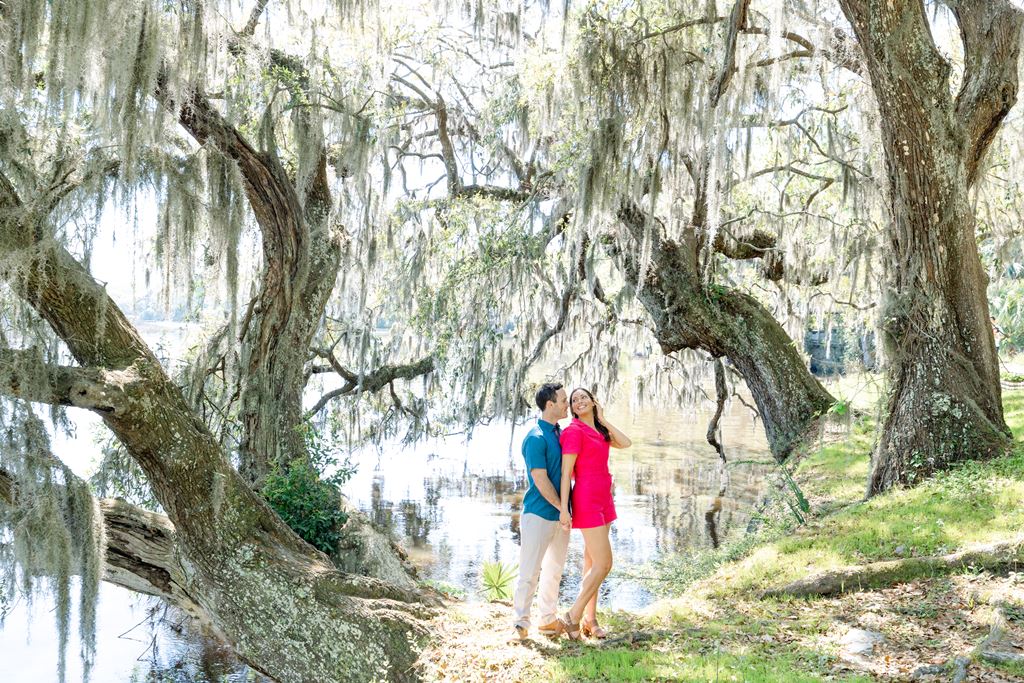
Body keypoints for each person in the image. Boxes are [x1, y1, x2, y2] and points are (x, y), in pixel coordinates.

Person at [556, 387, 631, 640]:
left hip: (604, 498)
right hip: (586, 498)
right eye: (574, 400)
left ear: (592, 401)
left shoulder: (599, 431)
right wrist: (564, 509)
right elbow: (566, 473)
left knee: (591, 562)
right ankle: (572, 616)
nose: (579, 402)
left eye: (583, 397)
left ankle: (590, 619)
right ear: (572, 408)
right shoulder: (573, 432)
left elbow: (626, 442)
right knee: (604, 563)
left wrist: (602, 418)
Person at [511, 382, 571, 641]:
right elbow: (540, 479)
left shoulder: (561, 433)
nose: (567, 404)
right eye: (563, 400)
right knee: (530, 571)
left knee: (554, 570)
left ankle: (547, 620)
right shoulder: (535, 437)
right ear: (550, 405)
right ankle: (520, 624)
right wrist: (562, 508)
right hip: (538, 514)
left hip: (561, 516)